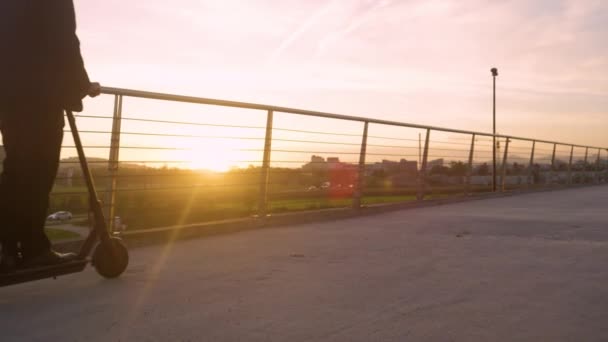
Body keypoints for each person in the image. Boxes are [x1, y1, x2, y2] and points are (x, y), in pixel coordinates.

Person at [0, 0, 101, 272]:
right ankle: (32, 249)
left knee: (17, 169)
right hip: (40, 94)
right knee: (37, 171)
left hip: (8, 94)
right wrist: (81, 85)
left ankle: (7, 247)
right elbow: (64, 39)